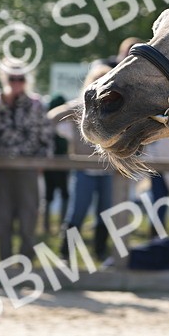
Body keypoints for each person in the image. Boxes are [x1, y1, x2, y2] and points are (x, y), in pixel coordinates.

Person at [49, 64, 115, 262]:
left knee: (105, 213)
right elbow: (52, 117)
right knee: (77, 212)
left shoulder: (116, 108)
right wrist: (79, 106)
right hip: (83, 170)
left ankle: (100, 253)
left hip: (107, 170)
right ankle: (65, 253)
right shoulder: (80, 107)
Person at [0, 64, 51, 260]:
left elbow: (46, 136)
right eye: (12, 78)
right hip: (2, 168)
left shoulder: (36, 104)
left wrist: (41, 163)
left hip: (28, 168)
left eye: (21, 78)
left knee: (28, 217)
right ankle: (5, 262)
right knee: (3, 217)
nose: (16, 82)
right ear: (4, 79)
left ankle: (26, 262)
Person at [43, 93, 72, 237]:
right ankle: (54, 225)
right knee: (53, 194)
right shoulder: (61, 124)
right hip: (54, 164)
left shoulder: (50, 122)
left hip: (57, 164)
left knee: (54, 194)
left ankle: (57, 225)